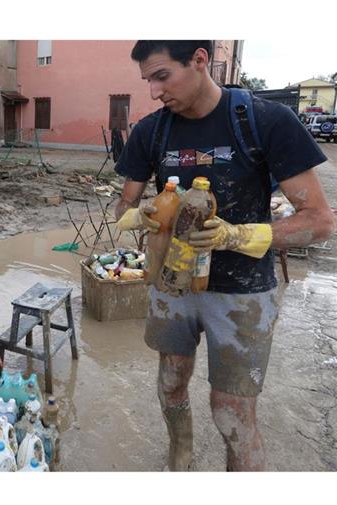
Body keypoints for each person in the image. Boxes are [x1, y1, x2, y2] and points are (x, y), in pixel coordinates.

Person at [114, 41, 336, 471]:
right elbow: (124, 205)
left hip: (242, 293)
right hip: (173, 284)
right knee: (171, 384)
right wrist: (139, 214)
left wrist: (237, 235)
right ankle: (180, 455)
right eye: (148, 81)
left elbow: (321, 221)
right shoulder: (152, 131)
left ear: (199, 60)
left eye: (162, 76)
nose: (155, 91)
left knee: (231, 413)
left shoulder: (265, 120)